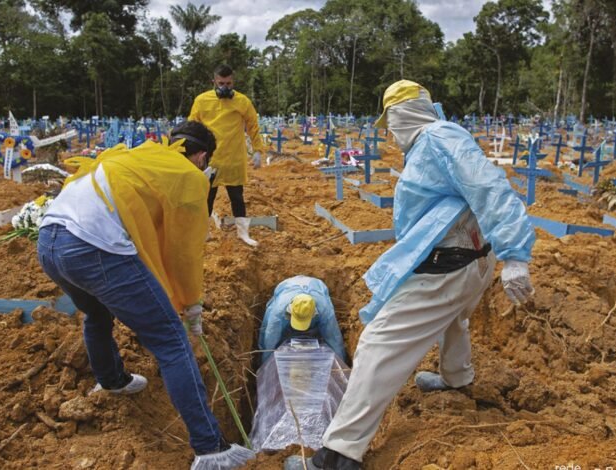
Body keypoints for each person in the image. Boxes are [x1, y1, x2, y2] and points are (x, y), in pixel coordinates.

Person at [308, 81, 536, 469]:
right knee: (454, 319)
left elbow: (489, 186)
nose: (390, 134)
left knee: (379, 344)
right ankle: (456, 378)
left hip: (451, 265)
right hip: (470, 261)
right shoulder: (433, 141)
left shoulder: (437, 138)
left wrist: (517, 254)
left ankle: (339, 452)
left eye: (390, 123)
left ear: (401, 116)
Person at [37, 121, 254, 470]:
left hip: (49, 240)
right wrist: (191, 305)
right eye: (204, 160)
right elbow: (184, 250)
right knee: (170, 339)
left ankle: (112, 381)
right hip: (93, 247)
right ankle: (211, 447)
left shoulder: (143, 153)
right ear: (200, 155)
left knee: (97, 314)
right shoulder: (189, 175)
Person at [189, 64, 267, 247]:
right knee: (207, 196)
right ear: (214, 82)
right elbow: (192, 125)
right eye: (221, 83)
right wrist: (191, 153)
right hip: (210, 158)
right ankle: (204, 232)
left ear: (234, 82)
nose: (225, 87)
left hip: (234, 157)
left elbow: (253, 125)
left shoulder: (242, 101)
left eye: (229, 83)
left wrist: (257, 150)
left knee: (237, 196)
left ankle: (243, 233)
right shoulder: (202, 101)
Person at [258, 276, 346, 363]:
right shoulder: (278, 310)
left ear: (313, 313)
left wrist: (341, 363)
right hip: (287, 286)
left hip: (316, 286)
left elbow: (333, 337)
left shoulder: (324, 309)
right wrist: (265, 363)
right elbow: (270, 337)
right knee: (270, 330)